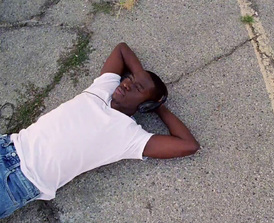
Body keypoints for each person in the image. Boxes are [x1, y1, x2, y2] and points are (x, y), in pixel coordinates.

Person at [0, 42, 200, 219]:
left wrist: (158, 105)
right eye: (130, 79)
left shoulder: (130, 136)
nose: (126, 84)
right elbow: (122, 49)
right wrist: (142, 78)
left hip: (19, 180)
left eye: (137, 88)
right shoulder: (104, 88)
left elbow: (188, 145)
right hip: (8, 145)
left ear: (145, 107)